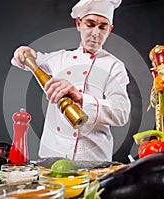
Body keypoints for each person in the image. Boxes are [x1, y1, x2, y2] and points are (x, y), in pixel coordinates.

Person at [11, 0, 131, 161]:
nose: (96, 33)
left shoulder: (114, 66)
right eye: (90, 24)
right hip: (52, 158)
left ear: (109, 30)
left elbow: (121, 113)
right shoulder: (59, 58)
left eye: (102, 27)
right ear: (78, 23)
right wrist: (23, 51)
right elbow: (28, 60)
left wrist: (81, 98)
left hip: (94, 160)